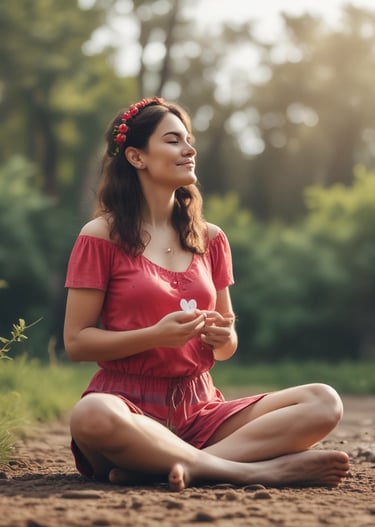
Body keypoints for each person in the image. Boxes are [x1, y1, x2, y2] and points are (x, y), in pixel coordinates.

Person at [63, 96, 350, 491]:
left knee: (324, 400)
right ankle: (253, 471)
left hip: (201, 411)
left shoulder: (210, 238)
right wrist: (156, 336)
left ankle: (176, 466)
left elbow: (227, 345)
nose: (189, 149)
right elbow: (77, 342)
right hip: (125, 407)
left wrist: (222, 336)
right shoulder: (99, 237)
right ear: (136, 157)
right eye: (173, 140)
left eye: (189, 139)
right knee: (90, 414)